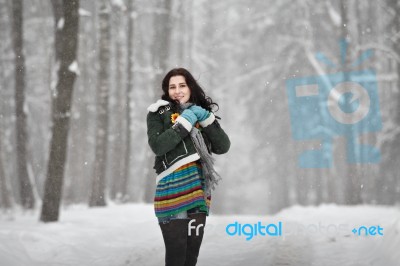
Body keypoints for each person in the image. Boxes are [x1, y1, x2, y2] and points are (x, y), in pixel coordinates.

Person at [146, 68, 230, 266]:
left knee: (191, 255)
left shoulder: (200, 113)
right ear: (167, 91)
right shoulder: (158, 113)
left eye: (182, 85)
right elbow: (158, 146)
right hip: (172, 186)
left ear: (190, 87)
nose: (177, 91)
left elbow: (223, 146)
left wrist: (206, 119)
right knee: (176, 255)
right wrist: (184, 122)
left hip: (199, 188)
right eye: (172, 87)